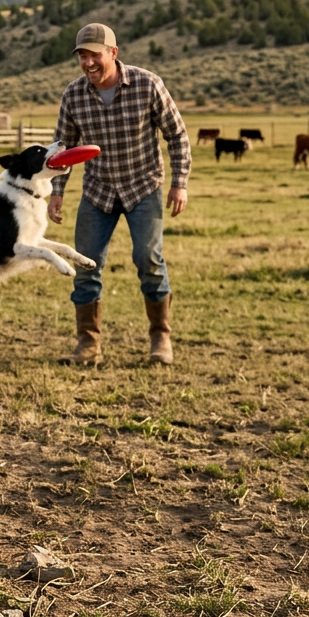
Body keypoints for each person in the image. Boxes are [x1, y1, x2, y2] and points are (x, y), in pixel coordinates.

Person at [47, 23, 191, 365]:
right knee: (85, 264)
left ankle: (161, 338)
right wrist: (56, 192)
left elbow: (177, 135)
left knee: (148, 260)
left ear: (113, 52)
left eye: (94, 55)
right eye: (82, 56)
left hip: (143, 187)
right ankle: (88, 344)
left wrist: (179, 182)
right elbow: (62, 148)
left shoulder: (147, 84)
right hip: (98, 192)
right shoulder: (74, 95)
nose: (88, 63)